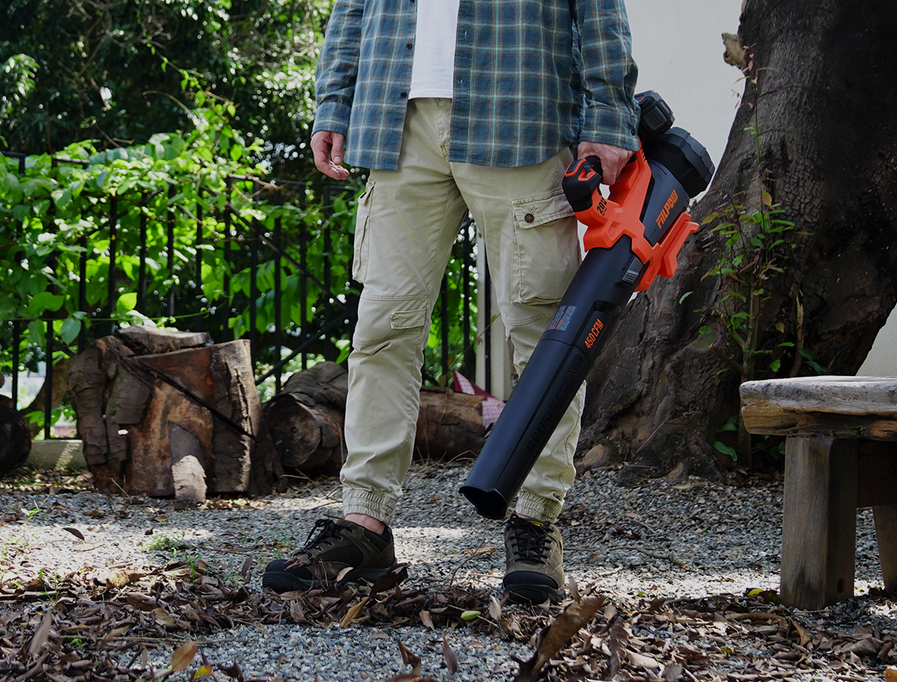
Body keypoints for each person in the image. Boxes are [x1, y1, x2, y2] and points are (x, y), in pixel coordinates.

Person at [263, 0, 640, 603]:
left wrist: (610, 116)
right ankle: (365, 525)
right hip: (395, 112)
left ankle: (536, 520)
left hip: (522, 103)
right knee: (383, 329)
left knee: (545, 331)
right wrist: (335, 101)